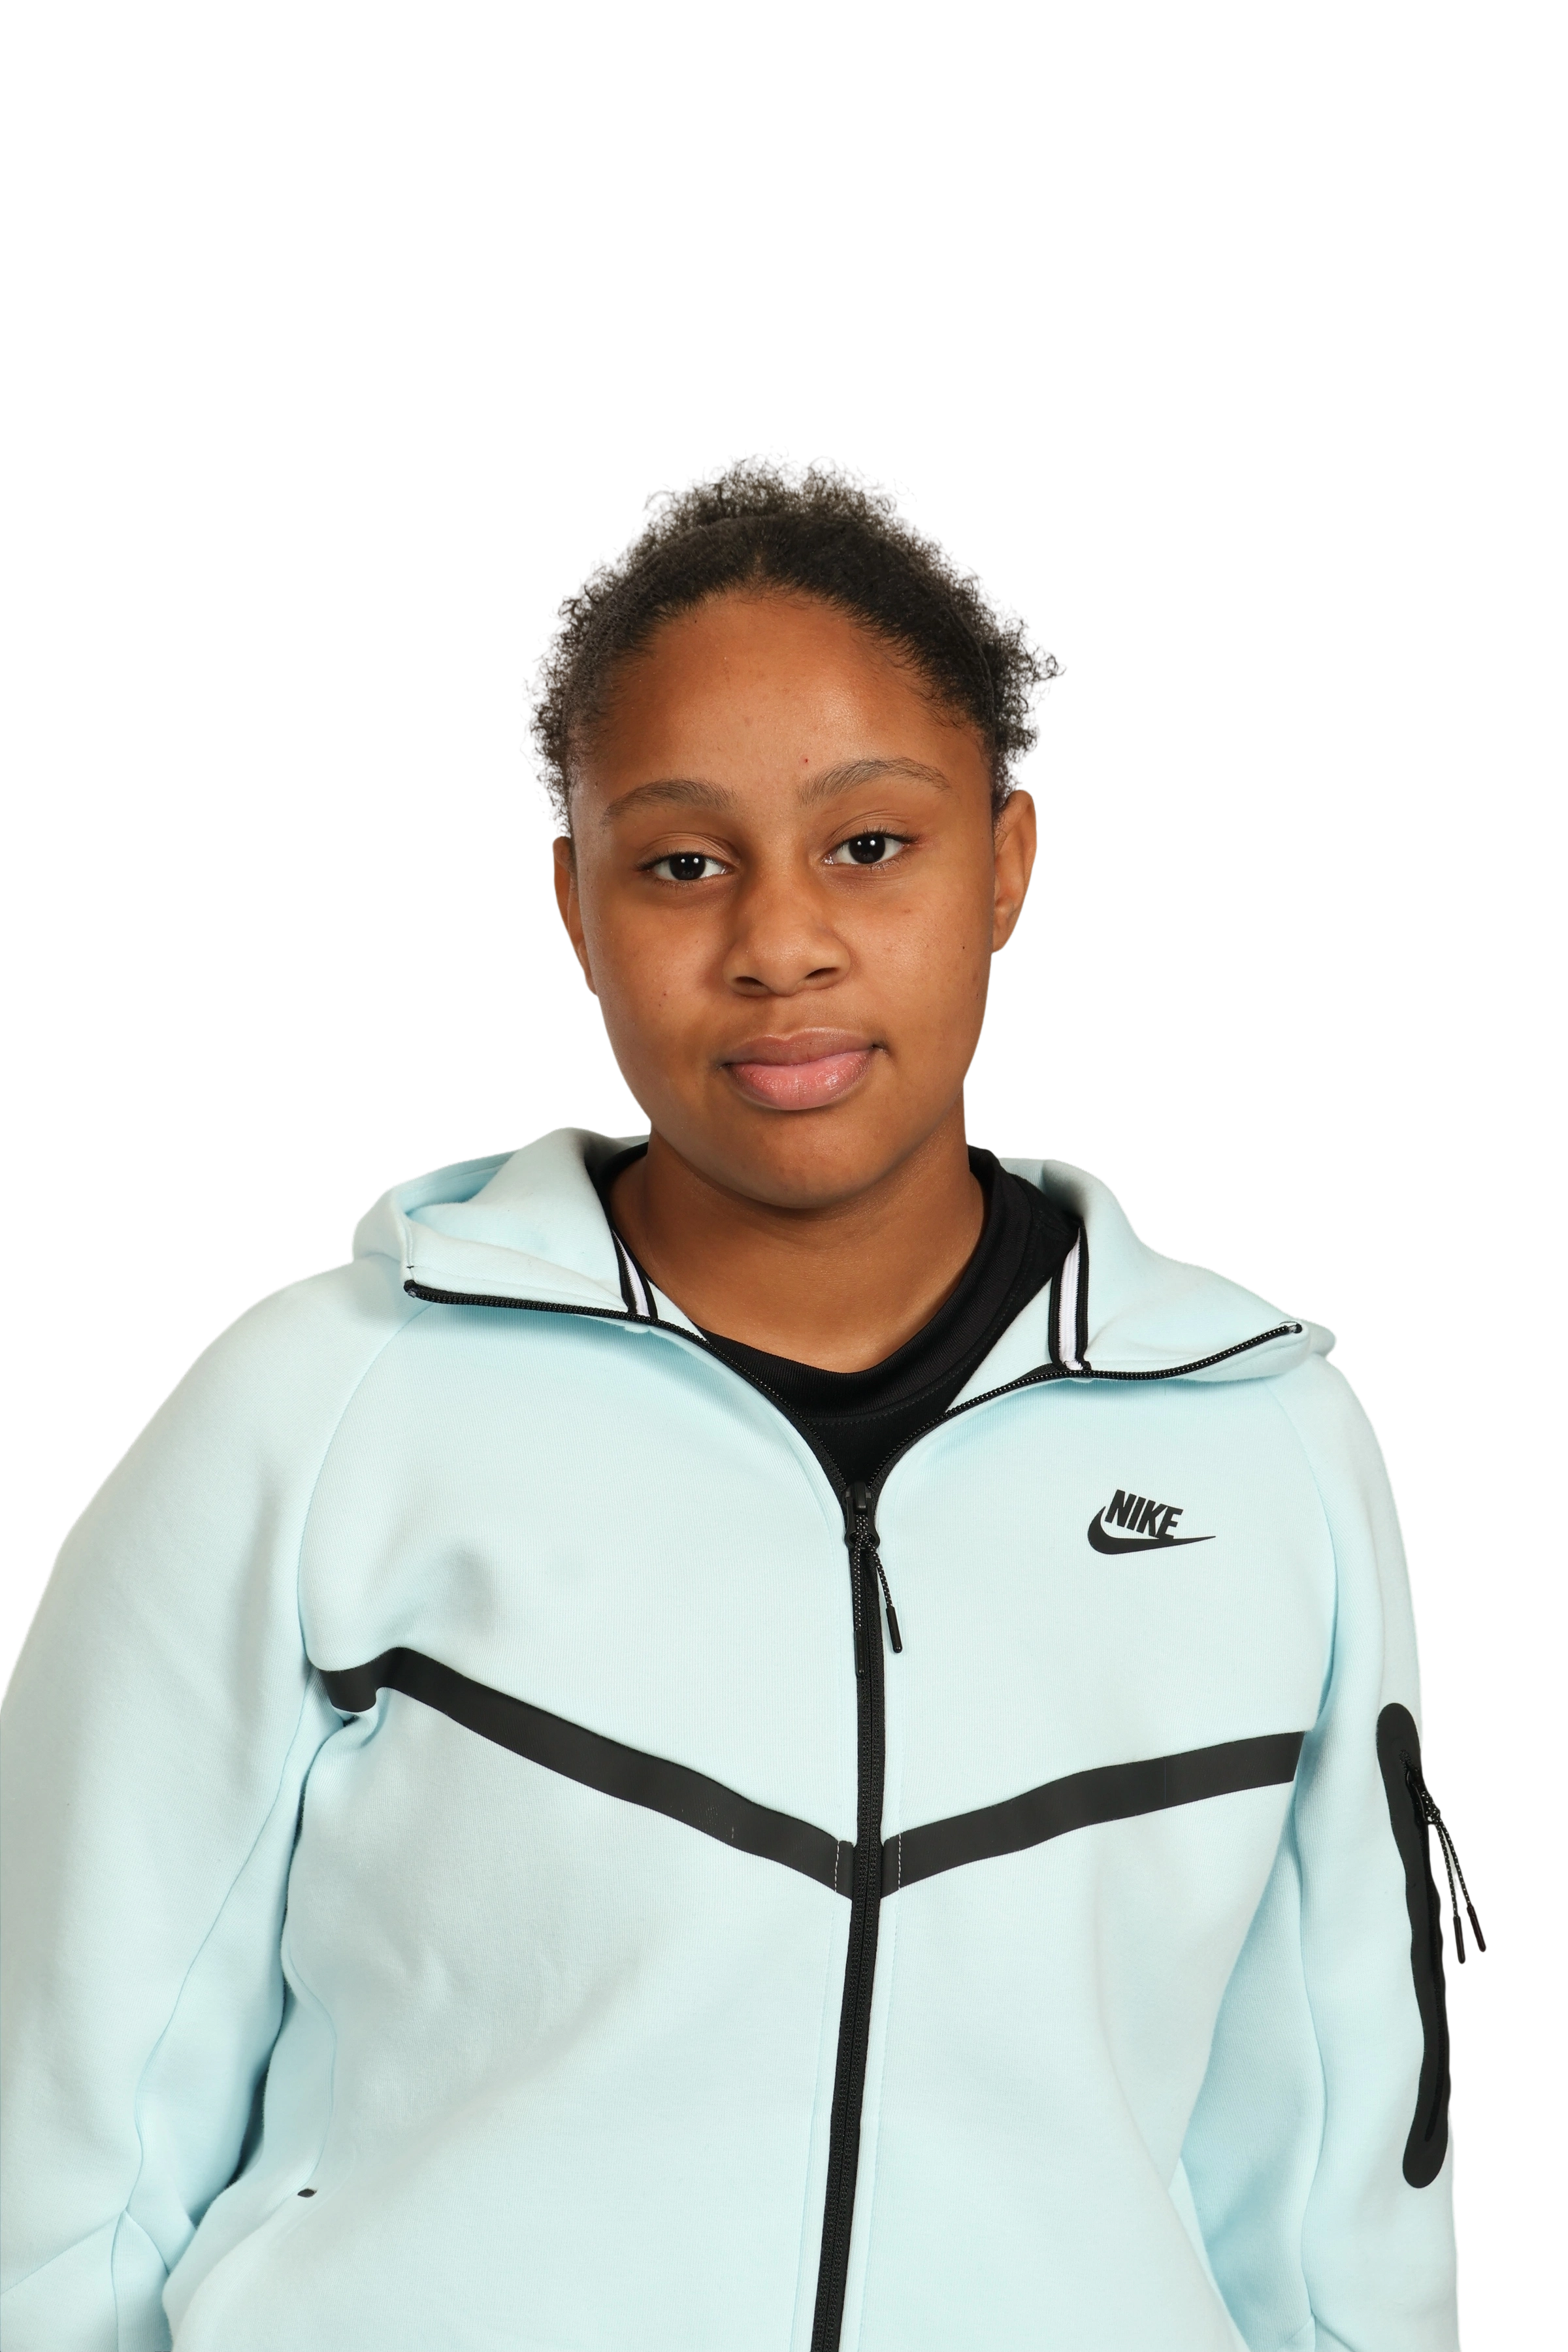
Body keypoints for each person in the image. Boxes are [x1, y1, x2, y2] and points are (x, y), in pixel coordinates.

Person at [1, 452, 1465, 2351]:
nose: (780, 942)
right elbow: (67, 2133)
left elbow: (1342, 2170)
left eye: (872, 844)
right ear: (573, 900)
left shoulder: (1259, 1442)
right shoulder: (324, 1409)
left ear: (1011, 859)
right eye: (683, 863)